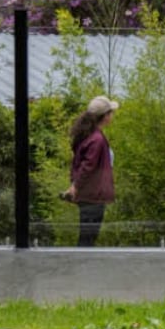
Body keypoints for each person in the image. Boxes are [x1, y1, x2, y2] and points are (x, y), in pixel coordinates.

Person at [64, 95, 118, 246]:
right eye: (110, 112)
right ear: (104, 116)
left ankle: (82, 267)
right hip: (92, 196)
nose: (112, 115)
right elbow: (87, 167)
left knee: (87, 239)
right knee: (87, 240)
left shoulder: (88, 134)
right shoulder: (96, 139)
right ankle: (81, 268)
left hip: (89, 195)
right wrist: (75, 187)